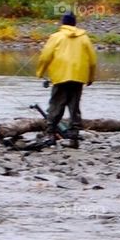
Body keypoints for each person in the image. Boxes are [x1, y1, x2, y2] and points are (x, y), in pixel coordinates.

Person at [35, 11, 97, 147]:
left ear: (63, 23)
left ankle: (50, 134)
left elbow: (45, 57)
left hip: (60, 76)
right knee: (74, 107)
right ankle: (74, 138)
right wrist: (90, 77)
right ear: (75, 23)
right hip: (79, 76)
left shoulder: (56, 37)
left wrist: (40, 72)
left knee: (56, 105)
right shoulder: (84, 38)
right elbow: (92, 61)